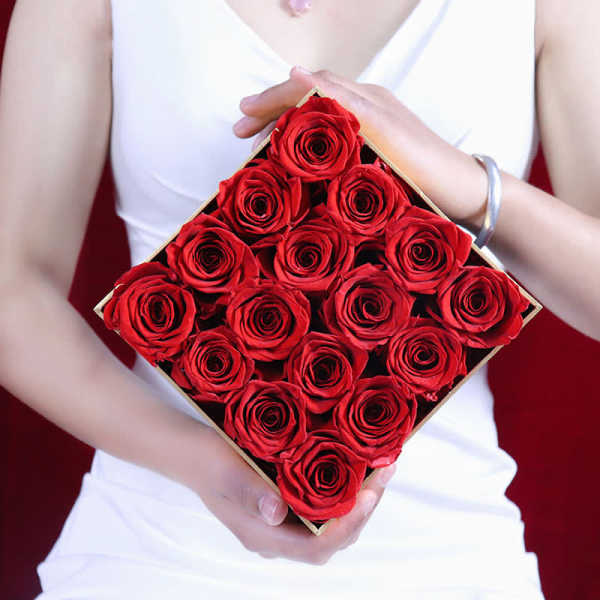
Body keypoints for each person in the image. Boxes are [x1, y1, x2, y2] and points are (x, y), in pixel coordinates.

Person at [1, 0, 598, 597]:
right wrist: (201, 463)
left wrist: (468, 185)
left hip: (452, 559)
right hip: (150, 553)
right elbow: (14, 294)